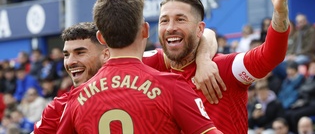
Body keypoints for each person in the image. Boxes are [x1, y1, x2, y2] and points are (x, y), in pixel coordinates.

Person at [143, 0, 290, 133]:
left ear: (199, 29)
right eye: (164, 21)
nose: (170, 28)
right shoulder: (151, 66)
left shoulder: (223, 69)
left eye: (180, 19)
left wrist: (280, 13)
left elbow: (270, 56)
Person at [56, 0, 222, 133]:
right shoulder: (172, 87)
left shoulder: (77, 97)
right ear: (145, 30)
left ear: (101, 38)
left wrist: (203, 57)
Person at [34, 21, 218, 133]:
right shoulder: (59, 107)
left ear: (106, 53)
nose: (70, 62)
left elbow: (205, 35)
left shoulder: (141, 66)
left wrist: (203, 60)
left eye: (80, 52)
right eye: (66, 55)